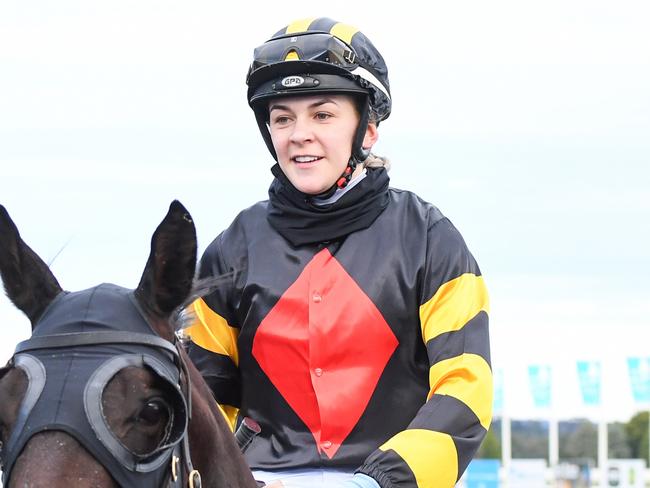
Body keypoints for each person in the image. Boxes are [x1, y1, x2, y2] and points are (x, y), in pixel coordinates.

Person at [185, 17, 492, 488]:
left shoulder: (431, 238)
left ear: (367, 129)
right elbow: (200, 398)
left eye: (322, 114)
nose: (299, 134)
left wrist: (375, 482)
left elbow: (464, 391)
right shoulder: (232, 249)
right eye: (283, 117)